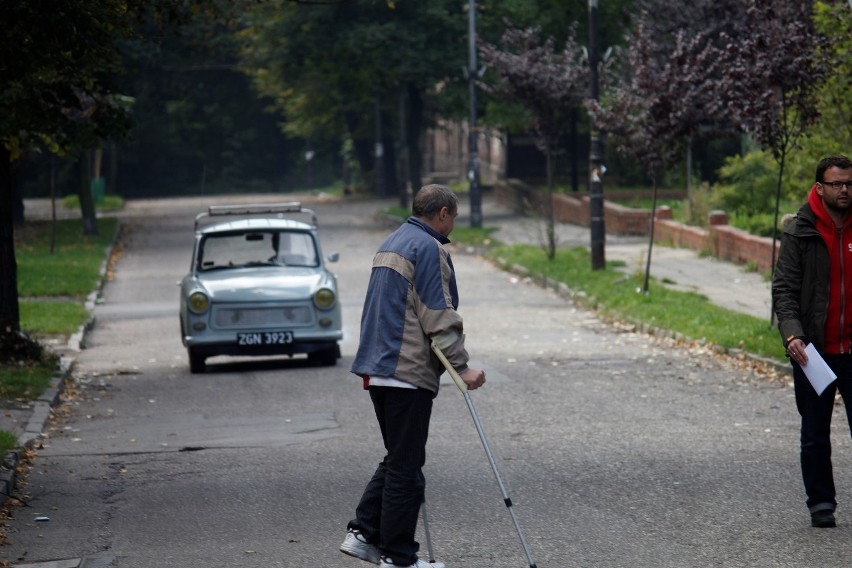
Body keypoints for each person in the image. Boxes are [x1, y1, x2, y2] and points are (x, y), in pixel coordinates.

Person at [340, 184, 486, 567]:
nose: (453, 224)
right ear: (441, 213)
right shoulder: (428, 248)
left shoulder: (391, 242)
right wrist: (462, 367)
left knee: (398, 458)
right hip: (405, 370)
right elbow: (438, 315)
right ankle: (399, 556)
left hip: (378, 366)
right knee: (406, 468)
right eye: (453, 216)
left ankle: (363, 533)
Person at [773, 154, 852, 528]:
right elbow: (785, 289)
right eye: (836, 184)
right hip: (813, 351)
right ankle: (821, 503)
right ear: (820, 187)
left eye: (849, 183)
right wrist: (792, 334)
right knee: (815, 434)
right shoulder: (799, 231)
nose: (845, 190)